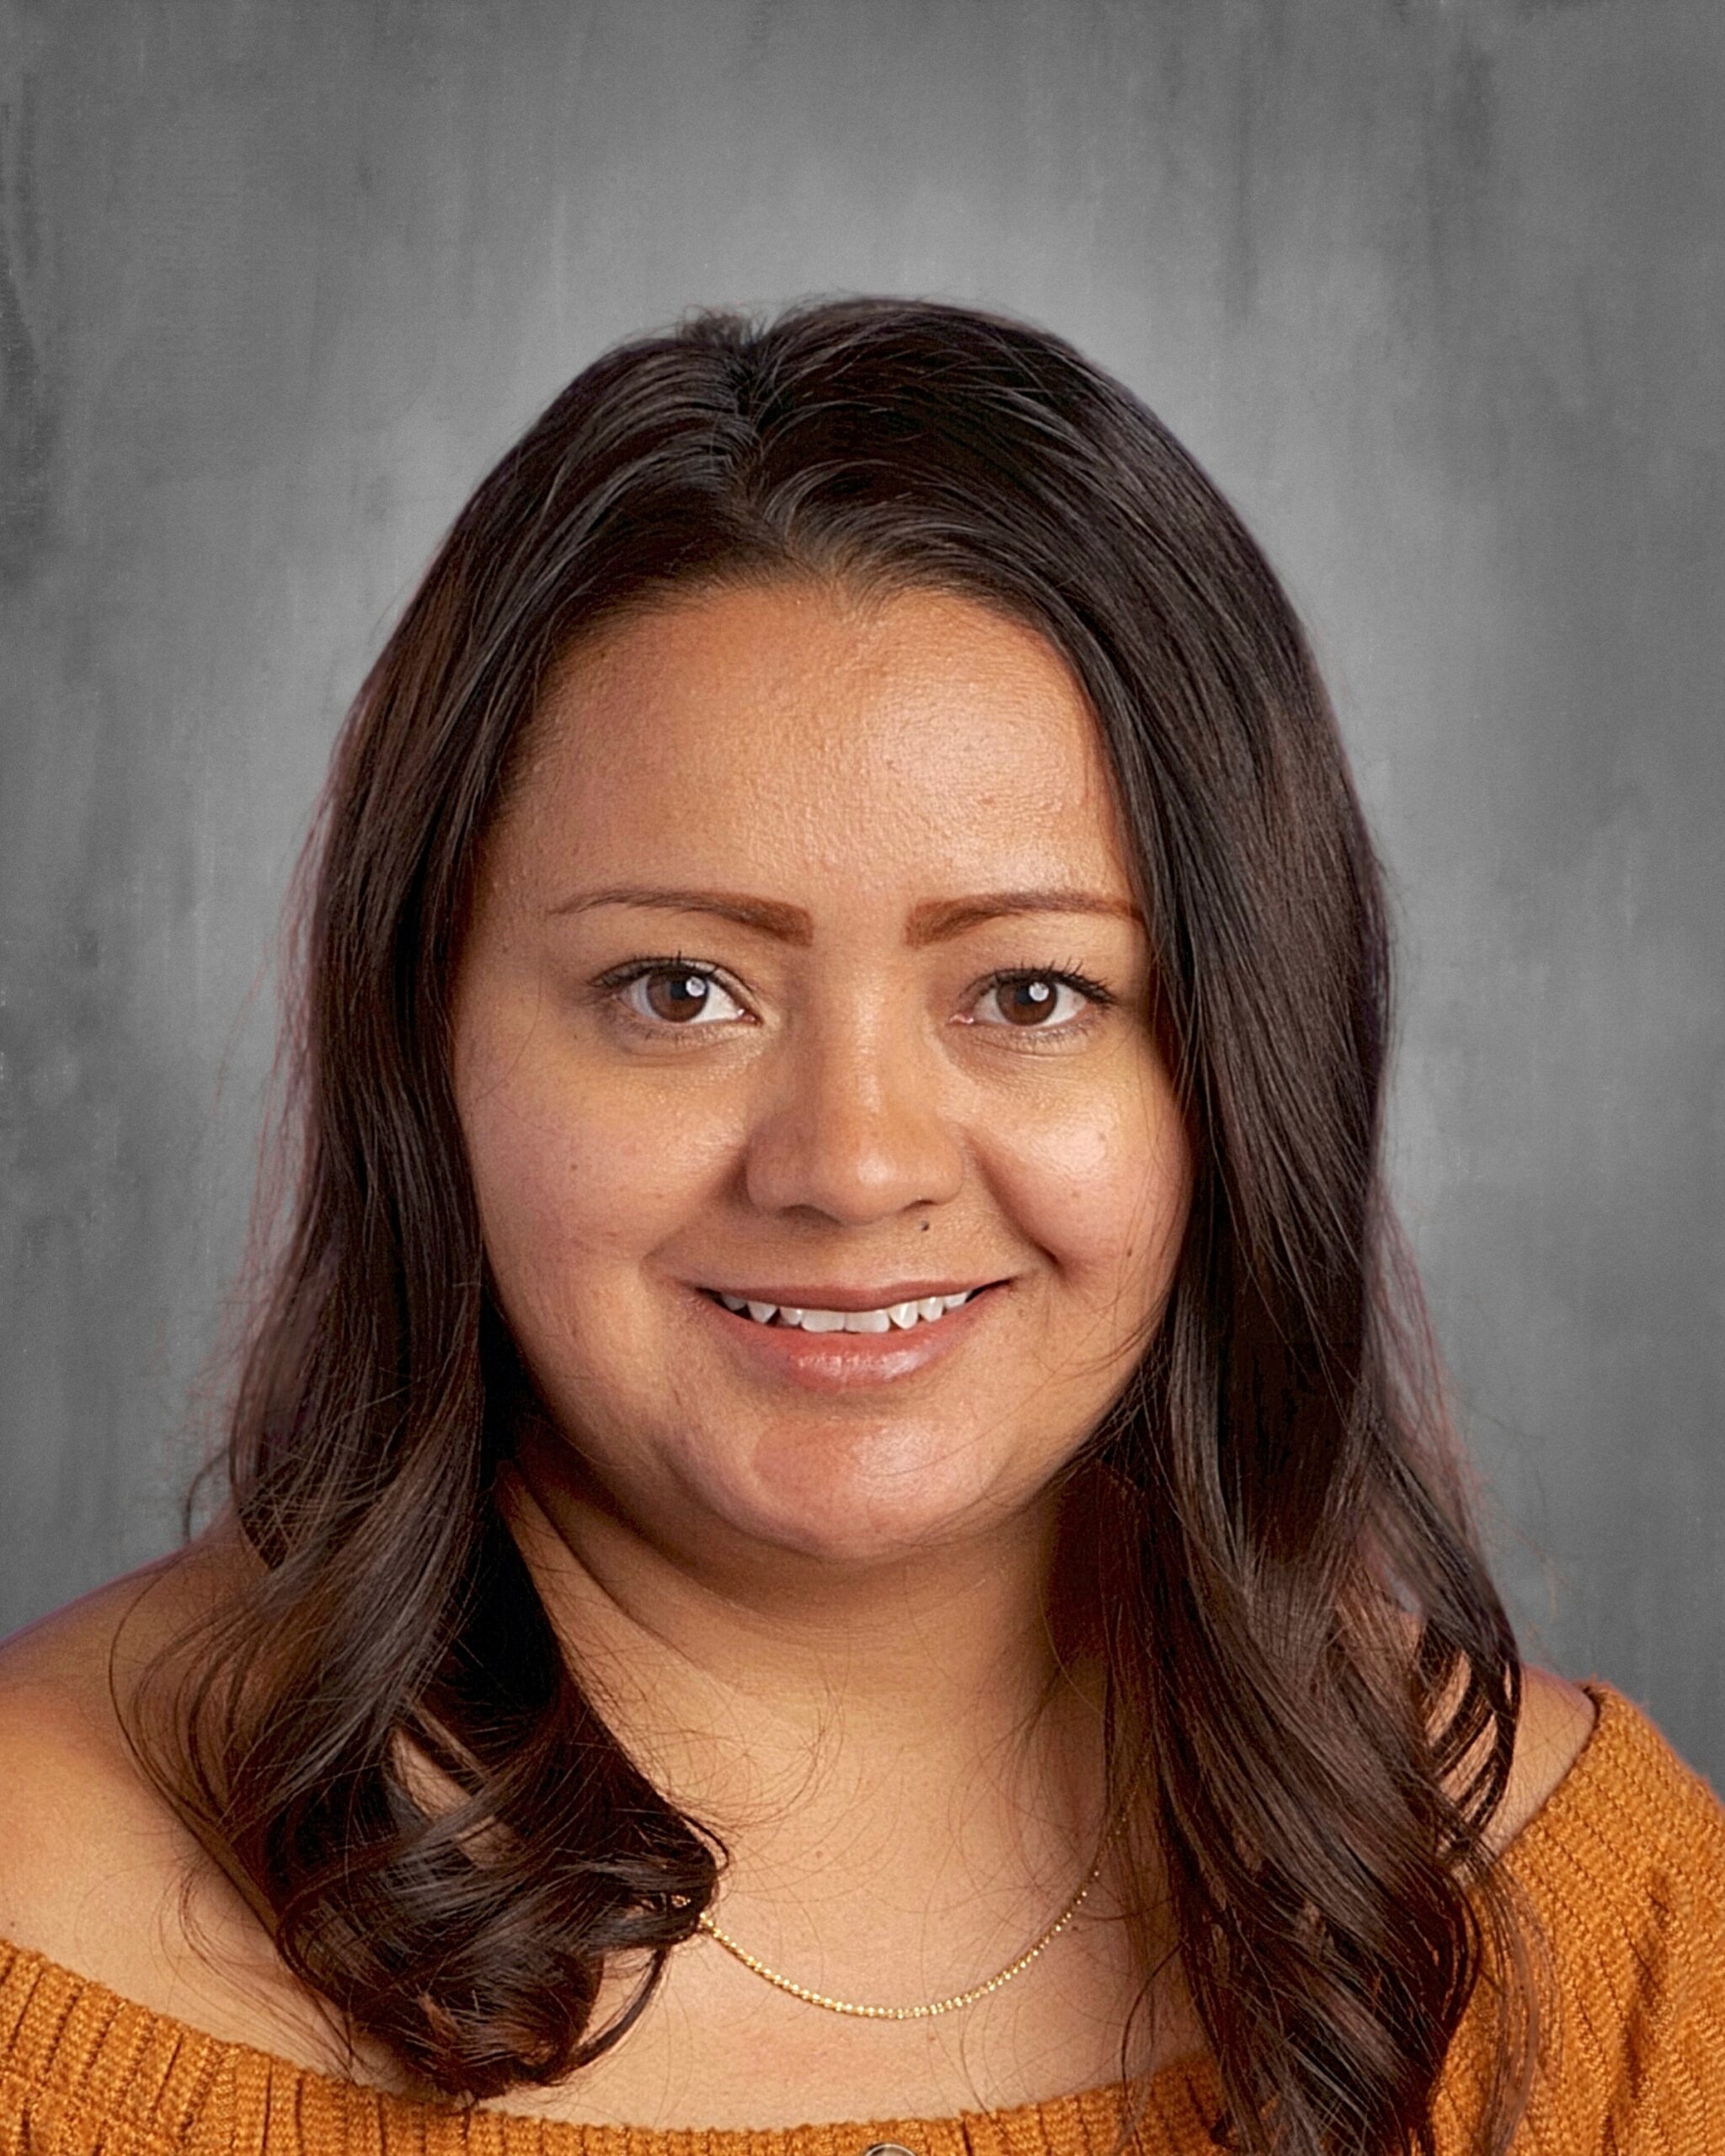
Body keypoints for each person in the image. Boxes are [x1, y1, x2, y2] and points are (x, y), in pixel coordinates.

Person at [0, 298, 1718, 2156]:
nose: (850, 1162)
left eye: (1031, 993)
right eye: (677, 988)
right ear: (427, 1043)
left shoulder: (1602, 1936)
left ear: (1236, 1070)